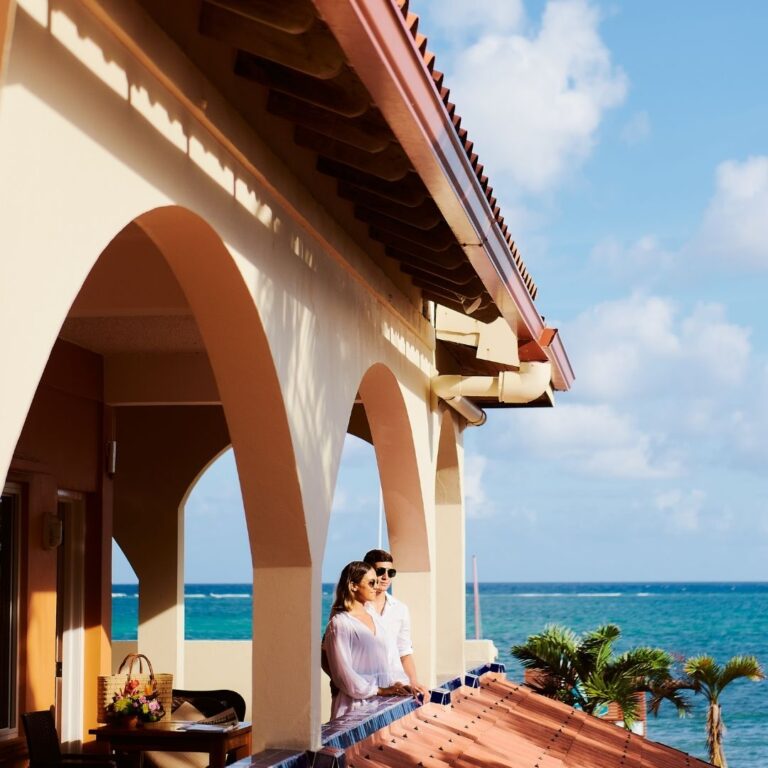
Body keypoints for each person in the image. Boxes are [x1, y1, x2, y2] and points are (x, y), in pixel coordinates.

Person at [323, 561, 412, 720]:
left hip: (384, 705)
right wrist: (379, 690)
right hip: (355, 708)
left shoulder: (377, 619)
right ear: (353, 585)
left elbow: (391, 659)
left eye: (377, 582)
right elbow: (343, 674)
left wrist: (400, 684)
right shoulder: (340, 624)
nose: (376, 587)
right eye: (371, 583)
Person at [363, 549, 428, 698]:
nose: (386, 577)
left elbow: (404, 652)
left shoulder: (400, 609)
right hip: (364, 692)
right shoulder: (355, 609)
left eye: (390, 572)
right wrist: (339, 684)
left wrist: (413, 683)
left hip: (396, 690)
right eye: (380, 571)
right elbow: (327, 652)